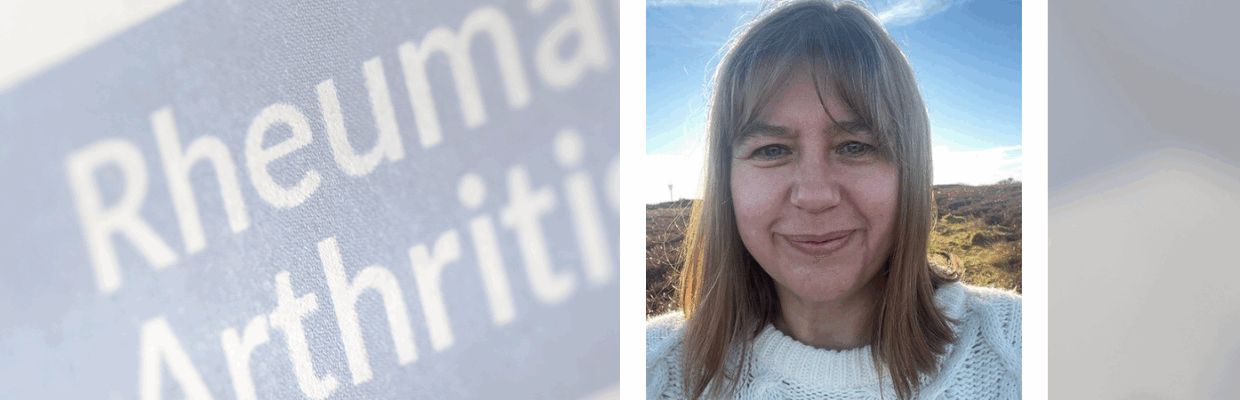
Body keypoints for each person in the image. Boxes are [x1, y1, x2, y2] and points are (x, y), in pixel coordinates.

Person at [645, 1, 1022, 399]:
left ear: (911, 170)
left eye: (856, 146)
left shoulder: (1027, 347)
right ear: (727, 182)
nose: (814, 196)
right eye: (772, 150)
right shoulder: (648, 371)